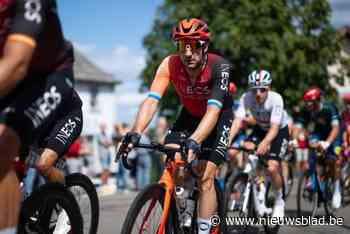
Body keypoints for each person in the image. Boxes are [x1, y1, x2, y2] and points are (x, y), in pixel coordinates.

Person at [119, 18, 234, 233]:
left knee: (205, 175)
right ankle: (184, 209)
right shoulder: (169, 64)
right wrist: (135, 132)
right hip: (189, 115)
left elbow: (213, 111)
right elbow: (152, 100)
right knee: (171, 159)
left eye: (194, 45)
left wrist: (195, 141)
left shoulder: (219, 66)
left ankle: (203, 228)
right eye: (183, 45)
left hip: (217, 118)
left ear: (205, 46)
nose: (188, 53)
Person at [0, 1, 78, 233]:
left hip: (54, 86)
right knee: (19, 158)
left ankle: (65, 208)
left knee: (37, 161)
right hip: (15, 90)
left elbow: (16, 63)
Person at [229, 70, 289, 219]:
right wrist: (227, 140)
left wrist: (265, 143)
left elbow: (274, 128)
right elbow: (237, 122)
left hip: (279, 131)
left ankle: (279, 200)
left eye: (263, 89)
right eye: (254, 89)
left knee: (272, 166)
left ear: (269, 88)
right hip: (260, 128)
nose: (258, 93)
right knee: (245, 154)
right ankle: (258, 187)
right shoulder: (246, 98)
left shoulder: (276, 99)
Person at [292, 86, 342, 209]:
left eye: (311, 102)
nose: (308, 105)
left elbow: (335, 128)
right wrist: (293, 140)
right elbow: (297, 127)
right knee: (315, 152)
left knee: (333, 161)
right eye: (307, 102)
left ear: (318, 100)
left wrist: (328, 143)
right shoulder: (306, 110)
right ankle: (313, 181)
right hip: (318, 133)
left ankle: (336, 190)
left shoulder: (329, 108)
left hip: (334, 136)